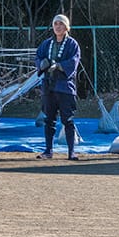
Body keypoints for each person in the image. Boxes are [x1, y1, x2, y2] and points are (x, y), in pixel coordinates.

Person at [35, 14, 82, 160]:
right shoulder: (46, 44)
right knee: (49, 119)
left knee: (67, 120)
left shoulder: (72, 44)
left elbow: (74, 61)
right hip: (48, 87)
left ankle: (71, 152)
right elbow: (38, 57)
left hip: (65, 87)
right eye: (55, 24)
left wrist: (59, 66)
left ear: (66, 27)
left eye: (61, 24)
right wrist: (42, 64)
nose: (58, 26)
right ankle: (48, 151)